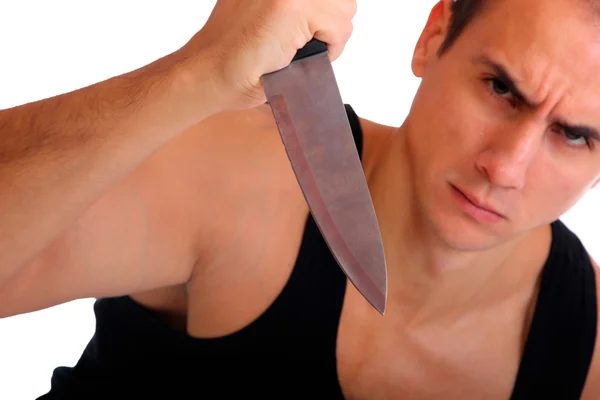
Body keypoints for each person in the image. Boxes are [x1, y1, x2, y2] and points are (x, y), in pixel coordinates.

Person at [1, 0, 599, 398]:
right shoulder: (238, 177)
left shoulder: (589, 346)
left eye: (574, 135)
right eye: (500, 89)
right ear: (433, 36)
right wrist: (190, 75)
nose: (505, 167)